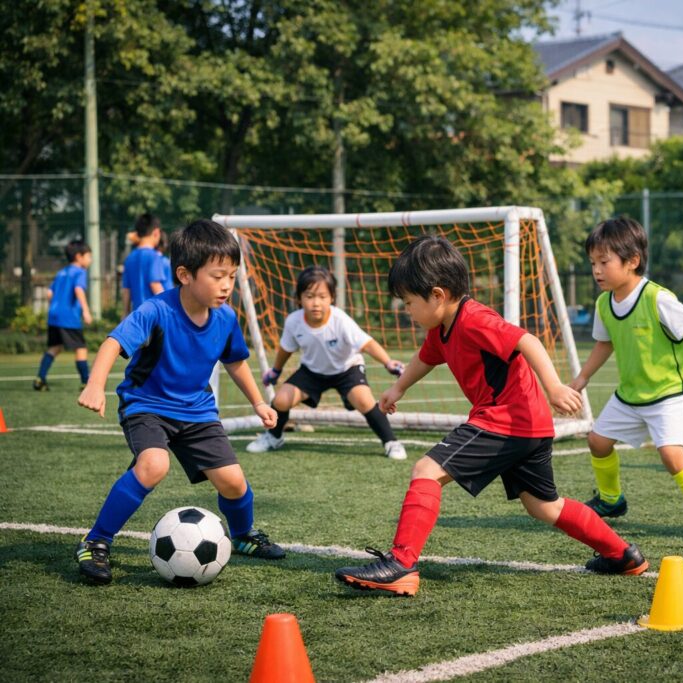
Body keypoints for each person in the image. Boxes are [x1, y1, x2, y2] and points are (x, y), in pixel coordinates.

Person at [334, 235, 649, 596]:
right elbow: (426, 357)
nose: (407, 310)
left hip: (505, 419)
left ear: (437, 295)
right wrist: (398, 388)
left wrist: (555, 387)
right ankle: (623, 555)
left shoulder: (474, 318)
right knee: (545, 507)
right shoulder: (441, 328)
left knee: (426, 470)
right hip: (529, 426)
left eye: (408, 302)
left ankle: (401, 564)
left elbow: (527, 340)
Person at [75, 219, 286, 585]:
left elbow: (234, 362)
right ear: (185, 275)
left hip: (197, 411)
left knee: (234, 482)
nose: (226, 285)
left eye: (232, 276)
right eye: (218, 276)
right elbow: (113, 343)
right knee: (153, 465)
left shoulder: (225, 318)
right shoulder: (156, 311)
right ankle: (96, 542)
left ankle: (243, 536)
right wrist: (95, 385)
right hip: (147, 405)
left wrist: (258, 402)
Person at [568, 217, 683, 543]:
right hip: (630, 394)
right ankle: (612, 500)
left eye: (604, 262)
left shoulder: (657, 298)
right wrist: (582, 377)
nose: (596, 270)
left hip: (668, 393)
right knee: (597, 442)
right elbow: (605, 342)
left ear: (632, 261)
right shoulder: (603, 303)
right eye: (592, 263)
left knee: (672, 455)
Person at [247, 265, 408, 460]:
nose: (316, 303)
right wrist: (275, 371)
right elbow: (286, 350)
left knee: (364, 400)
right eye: (309, 296)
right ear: (299, 298)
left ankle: (391, 442)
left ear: (331, 298)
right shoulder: (293, 321)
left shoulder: (340, 320)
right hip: (312, 372)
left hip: (347, 369)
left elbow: (367, 344)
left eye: (322, 297)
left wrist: (388, 362)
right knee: (280, 400)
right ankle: (274, 437)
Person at [34, 240, 94, 391]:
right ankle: (86, 382)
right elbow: (78, 290)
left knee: (55, 347)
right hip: (69, 317)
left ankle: (40, 379)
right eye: (88, 256)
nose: (90, 260)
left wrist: (57, 306)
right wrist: (86, 310)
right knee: (81, 348)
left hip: (54, 315)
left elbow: (49, 293)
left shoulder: (61, 272)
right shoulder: (80, 272)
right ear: (79, 257)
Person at [121, 213, 164, 316]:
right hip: (154, 317)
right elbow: (155, 284)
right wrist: (169, 307)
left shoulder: (130, 258)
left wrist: (124, 313)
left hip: (138, 316)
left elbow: (126, 289)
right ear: (156, 232)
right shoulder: (154, 256)